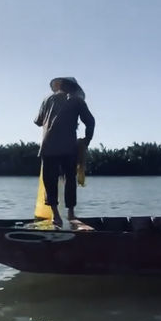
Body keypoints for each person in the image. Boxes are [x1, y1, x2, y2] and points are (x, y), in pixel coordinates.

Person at [35, 76, 95, 227]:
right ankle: (71, 214)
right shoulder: (77, 101)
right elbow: (90, 121)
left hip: (48, 147)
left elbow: (37, 121)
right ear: (73, 88)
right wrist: (87, 140)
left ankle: (56, 216)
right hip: (68, 147)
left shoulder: (47, 100)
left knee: (50, 181)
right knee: (70, 180)